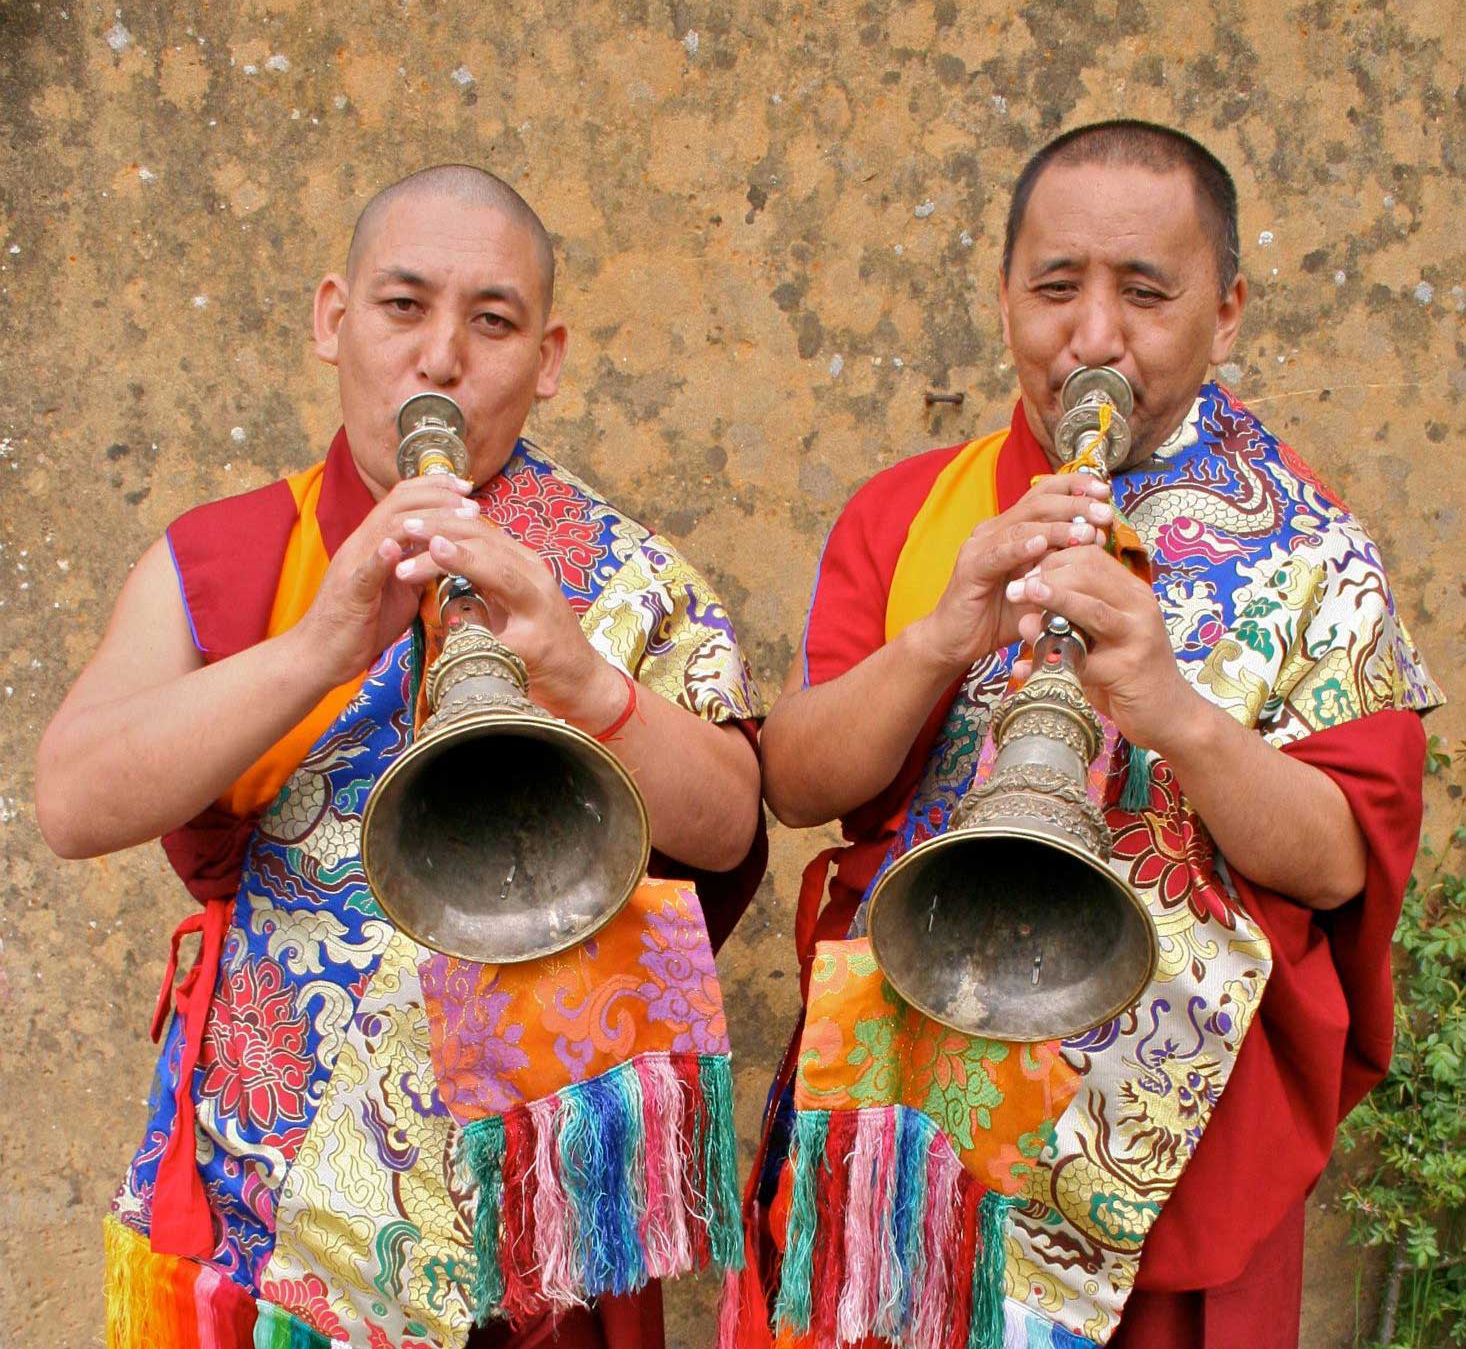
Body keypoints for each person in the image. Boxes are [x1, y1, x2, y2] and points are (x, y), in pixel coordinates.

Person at [36, 165, 765, 1349]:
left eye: (492, 321)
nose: (440, 359)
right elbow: (71, 799)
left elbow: (732, 825)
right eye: (401, 307)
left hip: (538, 1203)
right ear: (333, 318)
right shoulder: (232, 549)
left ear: (549, 355)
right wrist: (320, 645)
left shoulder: (628, 575)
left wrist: (580, 677)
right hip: (265, 1190)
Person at [747, 121, 1440, 1348]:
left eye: (1145, 292)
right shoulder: (912, 511)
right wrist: (939, 635)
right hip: (912, 1086)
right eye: (1055, 287)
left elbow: (1339, 858)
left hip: (1162, 1126)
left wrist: (1169, 707)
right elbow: (797, 782)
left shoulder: (1314, 554)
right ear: (1004, 293)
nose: (1093, 337)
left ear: (1223, 312)